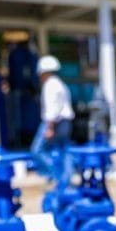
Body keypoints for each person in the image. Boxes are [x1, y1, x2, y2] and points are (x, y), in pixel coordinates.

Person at [31, 55, 74, 184]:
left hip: (54, 122)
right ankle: (66, 179)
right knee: (64, 150)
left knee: (37, 150)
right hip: (65, 122)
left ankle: (57, 175)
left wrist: (49, 127)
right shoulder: (61, 84)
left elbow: (52, 107)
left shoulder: (49, 85)